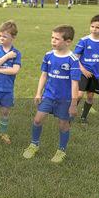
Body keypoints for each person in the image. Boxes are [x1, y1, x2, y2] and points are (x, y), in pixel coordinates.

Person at [23, 25, 80, 163]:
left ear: (68, 41)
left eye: (57, 39)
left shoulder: (73, 59)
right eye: (52, 38)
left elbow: (75, 84)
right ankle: (34, 144)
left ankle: (61, 150)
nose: (53, 41)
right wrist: (38, 93)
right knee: (37, 119)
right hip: (48, 96)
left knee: (63, 124)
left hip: (65, 99)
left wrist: (73, 104)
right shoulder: (48, 55)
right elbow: (44, 75)